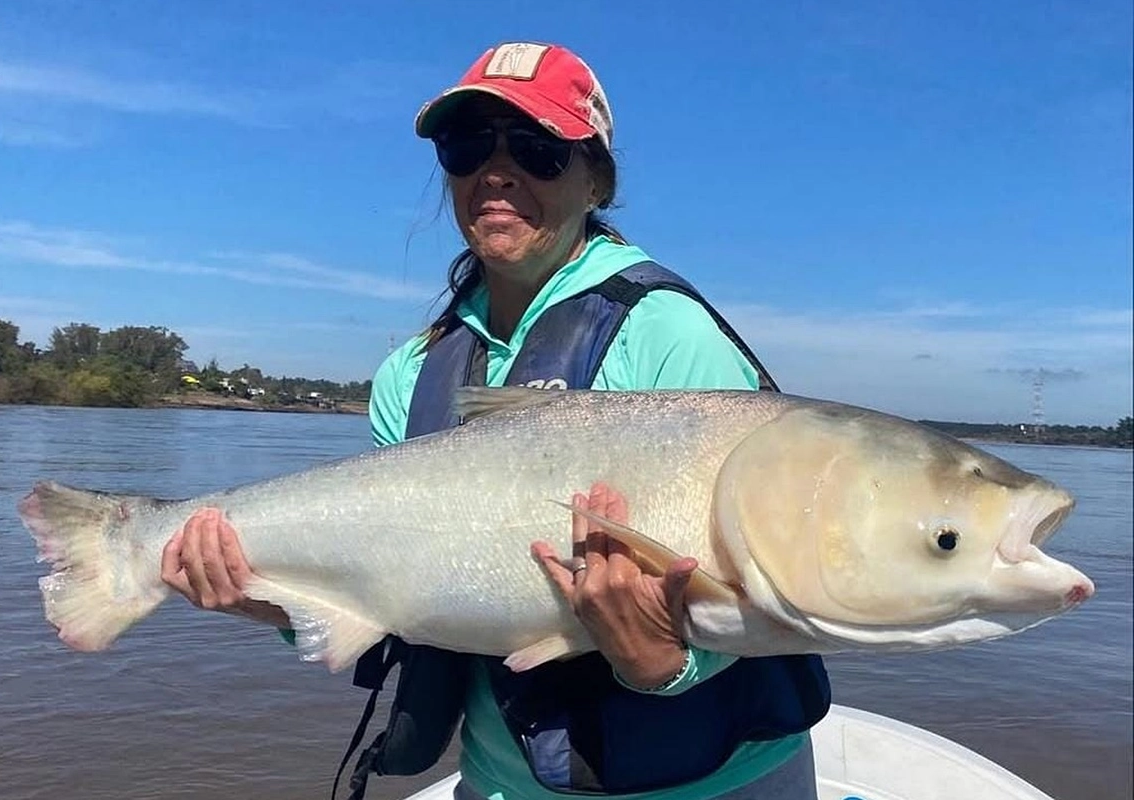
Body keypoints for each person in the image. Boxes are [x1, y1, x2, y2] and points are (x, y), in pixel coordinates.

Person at [160, 41, 830, 800]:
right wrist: (270, 594)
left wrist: (666, 661)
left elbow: (767, 581)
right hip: (499, 779)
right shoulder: (411, 374)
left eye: (538, 149)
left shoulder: (669, 336)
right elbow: (384, 591)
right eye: (468, 145)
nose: (497, 172)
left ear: (595, 180)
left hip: (714, 783)